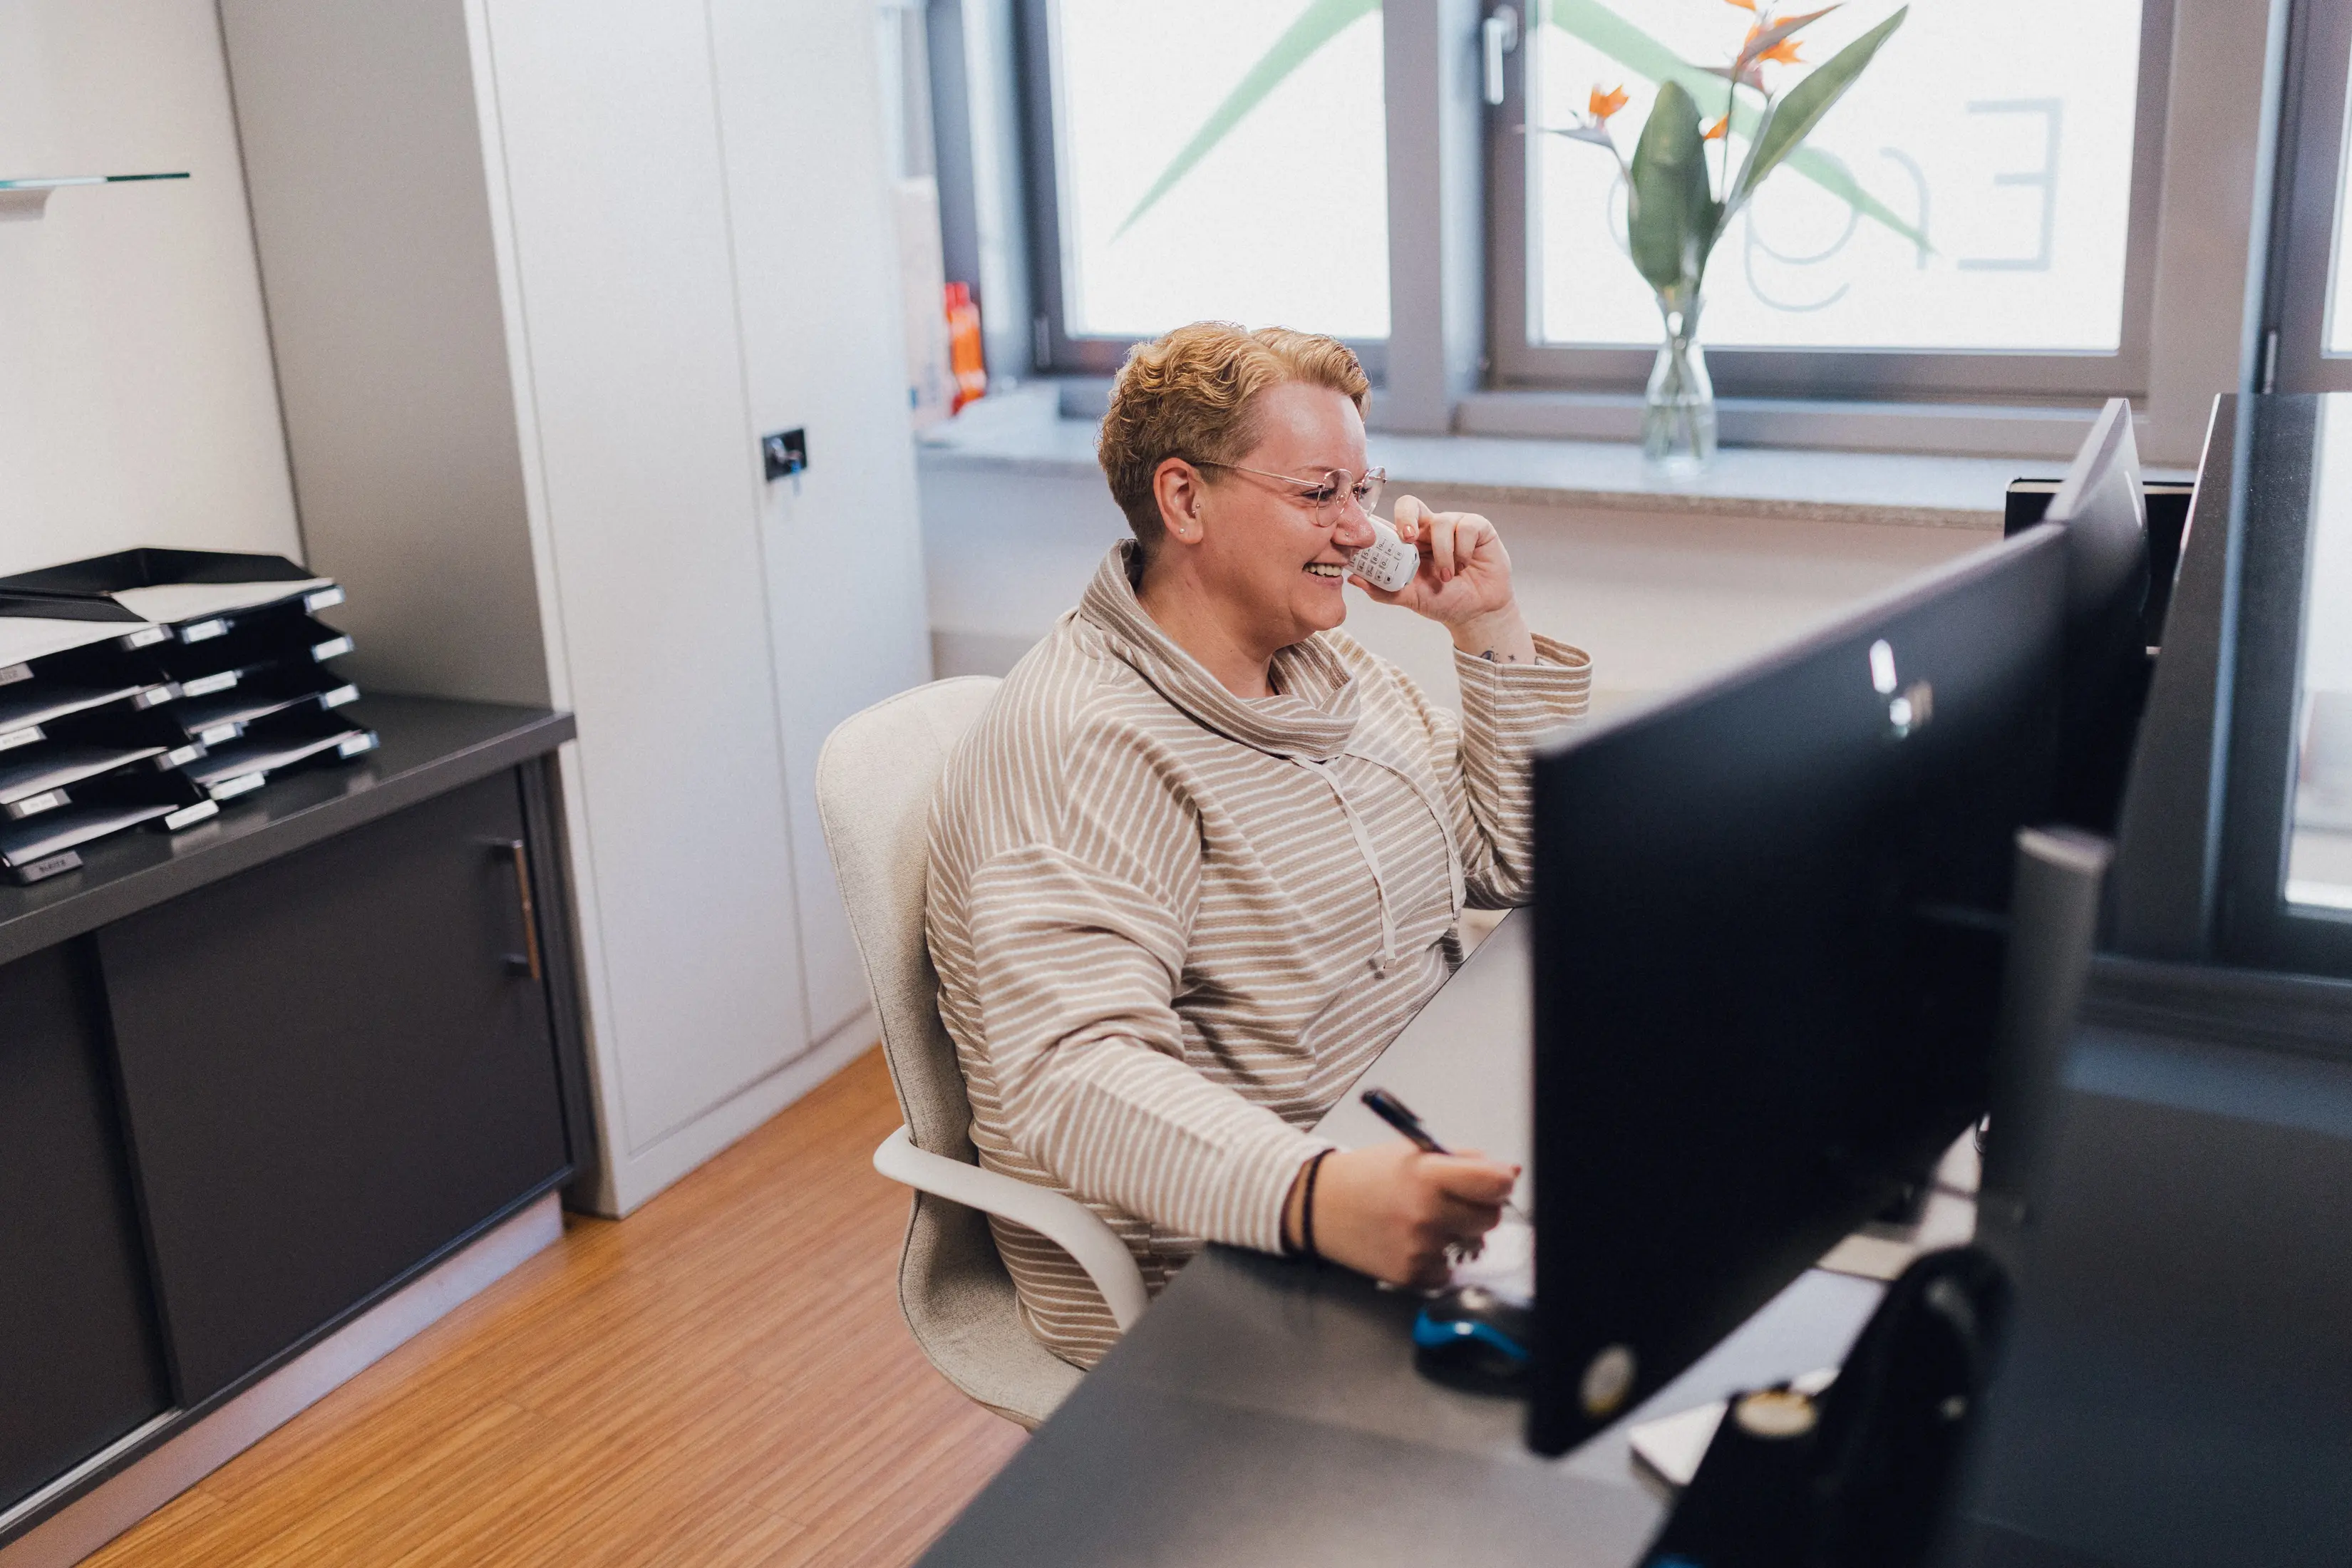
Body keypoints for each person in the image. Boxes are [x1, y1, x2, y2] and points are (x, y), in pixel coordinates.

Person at [926, 321, 1592, 1368]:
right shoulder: (1087, 741)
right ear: (1184, 500)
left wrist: (1486, 626)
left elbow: (1515, 862)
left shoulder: (1329, 672)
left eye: (1365, 492)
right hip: (1247, 1239)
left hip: (1408, 1135)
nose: (1362, 531)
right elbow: (1071, 1076)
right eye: (1320, 494)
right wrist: (1322, 1194)